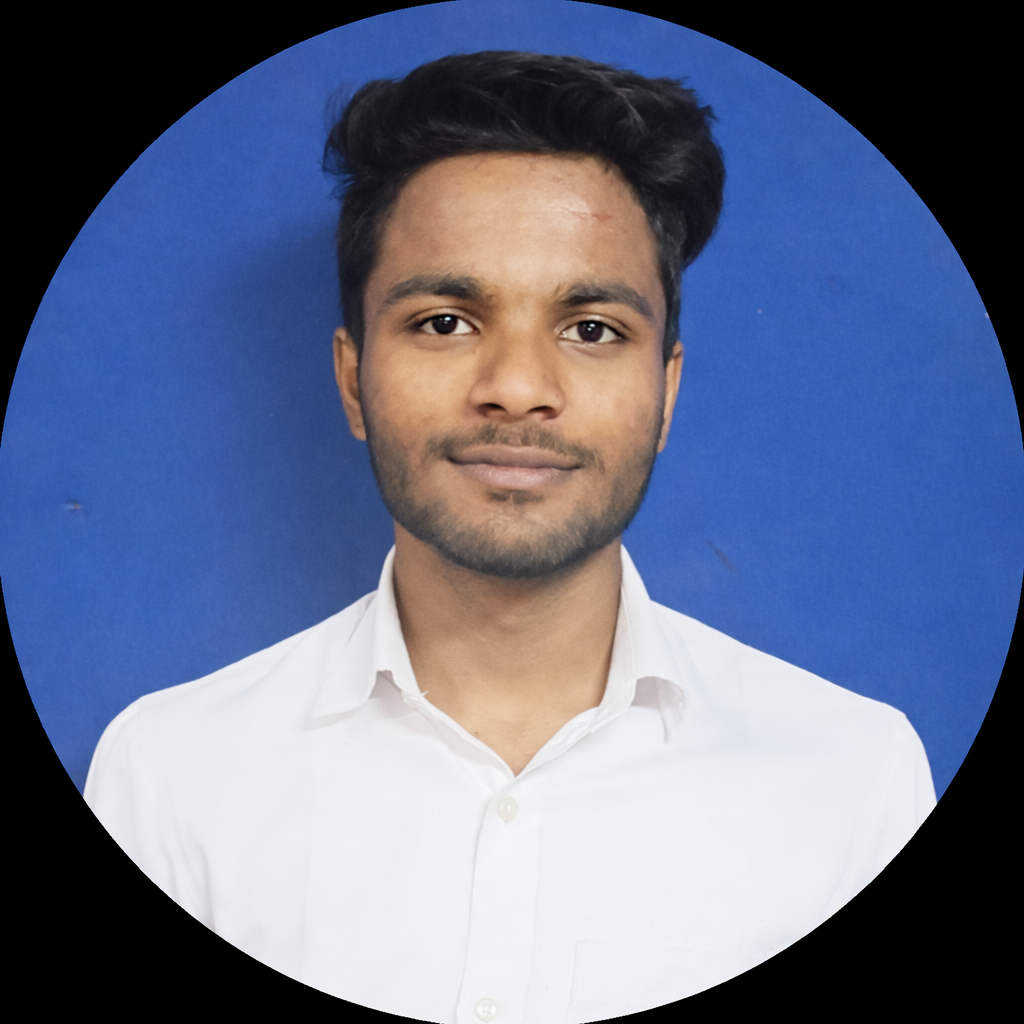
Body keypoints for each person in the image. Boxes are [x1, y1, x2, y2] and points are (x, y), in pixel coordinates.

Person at [84, 52, 935, 1023]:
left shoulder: (853, 781)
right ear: (353, 380)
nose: (519, 387)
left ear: (666, 392)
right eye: (446, 321)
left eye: (593, 328)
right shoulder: (171, 775)